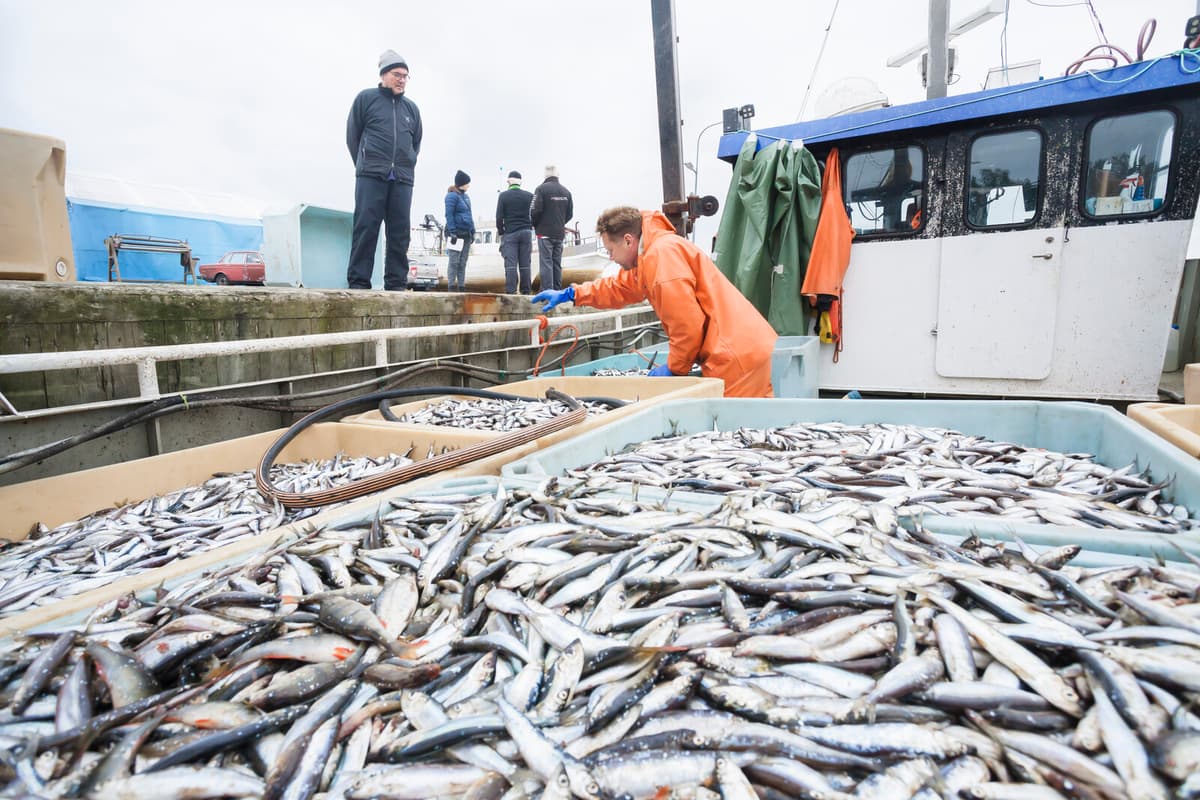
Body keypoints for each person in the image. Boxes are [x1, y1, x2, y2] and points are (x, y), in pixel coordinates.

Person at [532, 206, 777, 398]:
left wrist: (675, 368)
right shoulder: (648, 256)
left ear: (628, 240)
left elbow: (687, 326)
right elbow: (619, 288)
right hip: (735, 346)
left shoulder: (662, 257)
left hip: (734, 353)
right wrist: (572, 294)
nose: (611, 257)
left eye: (610, 250)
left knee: (738, 437)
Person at [345, 50, 423, 290]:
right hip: (371, 174)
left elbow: (415, 143)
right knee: (366, 226)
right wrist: (366, 163)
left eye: (405, 76)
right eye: (397, 74)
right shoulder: (365, 99)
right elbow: (353, 137)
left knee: (400, 232)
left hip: (402, 179)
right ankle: (359, 282)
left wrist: (406, 162)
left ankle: (396, 283)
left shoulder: (412, 109)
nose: (401, 79)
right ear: (383, 74)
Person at [531, 165, 573, 291]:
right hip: (559, 234)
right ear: (557, 175)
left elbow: (534, 211)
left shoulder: (540, 189)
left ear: (545, 175)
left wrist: (536, 224)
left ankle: (548, 292)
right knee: (556, 263)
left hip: (544, 233)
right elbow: (570, 214)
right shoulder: (566, 192)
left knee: (546, 263)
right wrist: (559, 223)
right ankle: (558, 290)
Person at [495, 170, 533, 294]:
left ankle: (511, 292)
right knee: (525, 264)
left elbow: (499, 217)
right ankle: (526, 291)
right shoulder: (530, 196)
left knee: (511, 265)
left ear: (508, 181)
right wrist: (530, 226)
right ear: (520, 182)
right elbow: (534, 214)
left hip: (510, 233)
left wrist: (501, 232)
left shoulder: (503, 196)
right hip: (526, 233)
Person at [444, 170, 474, 292]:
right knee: (454, 262)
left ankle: (462, 286)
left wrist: (472, 231)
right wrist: (452, 232)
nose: (469, 185)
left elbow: (469, 215)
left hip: (466, 234)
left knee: (463, 262)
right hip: (455, 233)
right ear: (461, 183)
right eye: (467, 183)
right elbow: (449, 215)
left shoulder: (466, 197)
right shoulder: (451, 196)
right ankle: (451, 286)